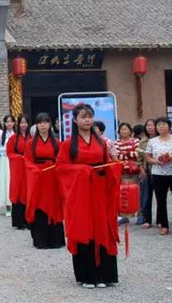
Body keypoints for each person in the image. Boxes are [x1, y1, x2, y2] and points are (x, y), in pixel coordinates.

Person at [56, 104, 121, 288]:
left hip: (100, 190)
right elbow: (61, 168)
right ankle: (87, 276)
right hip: (81, 193)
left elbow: (110, 165)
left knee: (102, 227)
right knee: (84, 227)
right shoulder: (68, 144)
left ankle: (105, 275)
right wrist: (82, 171)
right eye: (83, 117)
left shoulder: (102, 142)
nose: (87, 120)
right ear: (74, 120)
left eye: (90, 116)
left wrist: (114, 160)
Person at [24, 113, 64, 249]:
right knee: (38, 204)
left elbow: (61, 160)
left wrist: (58, 167)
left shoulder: (57, 143)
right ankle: (41, 239)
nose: (43, 125)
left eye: (46, 122)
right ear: (36, 125)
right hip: (38, 177)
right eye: (40, 123)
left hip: (52, 177)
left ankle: (55, 239)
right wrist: (34, 170)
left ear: (50, 124)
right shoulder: (30, 143)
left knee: (54, 204)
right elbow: (27, 160)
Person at [145, 117, 172, 235]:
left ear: (169, 126)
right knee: (161, 200)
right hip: (158, 174)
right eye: (158, 125)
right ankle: (164, 225)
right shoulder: (152, 141)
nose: (161, 127)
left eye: (163, 124)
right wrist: (156, 161)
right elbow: (148, 157)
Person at [114, 123, 140, 225]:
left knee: (136, 192)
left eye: (126, 129)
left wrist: (125, 154)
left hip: (134, 171)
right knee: (123, 193)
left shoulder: (135, 141)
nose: (124, 131)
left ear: (130, 131)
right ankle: (124, 215)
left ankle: (138, 214)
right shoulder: (116, 142)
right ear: (119, 132)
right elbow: (116, 155)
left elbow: (138, 154)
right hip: (122, 172)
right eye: (122, 129)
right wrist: (130, 154)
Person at [7, 114, 31, 229]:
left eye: (25, 123)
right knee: (18, 190)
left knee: (29, 191)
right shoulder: (13, 138)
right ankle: (19, 221)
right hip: (18, 168)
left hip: (29, 168)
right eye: (21, 123)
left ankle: (29, 220)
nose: (23, 125)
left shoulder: (32, 137)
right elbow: (9, 153)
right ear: (18, 124)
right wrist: (20, 158)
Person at [136, 119, 157, 228]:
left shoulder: (160, 139)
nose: (150, 127)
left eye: (152, 125)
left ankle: (161, 220)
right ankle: (147, 219)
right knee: (146, 197)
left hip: (160, 171)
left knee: (160, 197)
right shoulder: (142, 141)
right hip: (147, 171)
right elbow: (139, 158)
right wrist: (141, 170)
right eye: (148, 125)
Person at [0, 115, 15, 216]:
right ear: (4, 123)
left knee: (12, 181)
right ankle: (8, 206)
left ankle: (14, 205)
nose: (9, 124)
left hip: (14, 161)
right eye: (7, 122)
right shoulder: (1, 134)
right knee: (5, 182)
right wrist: (5, 150)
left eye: (11, 121)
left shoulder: (16, 134)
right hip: (4, 160)